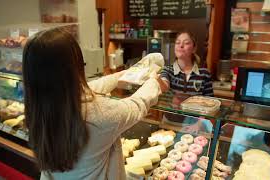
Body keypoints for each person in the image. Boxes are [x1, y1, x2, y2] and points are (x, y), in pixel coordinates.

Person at [22, 28, 162, 180]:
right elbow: (136, 105)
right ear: (74, 67)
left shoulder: (38, 110)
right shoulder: (99, 115)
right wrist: (155, 82)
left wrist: (124, 75)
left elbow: (85, 90)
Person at [159, 30, 214, 133]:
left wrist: (199, 124)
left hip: (194, 127)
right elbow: (164, 85)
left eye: (186, 43)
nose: (181, 46)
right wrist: (154, 75)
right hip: (168, 125)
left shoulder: (204, 74)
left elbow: (209, 105)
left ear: (194, 48)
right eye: (178, 42)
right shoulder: (167, 70)